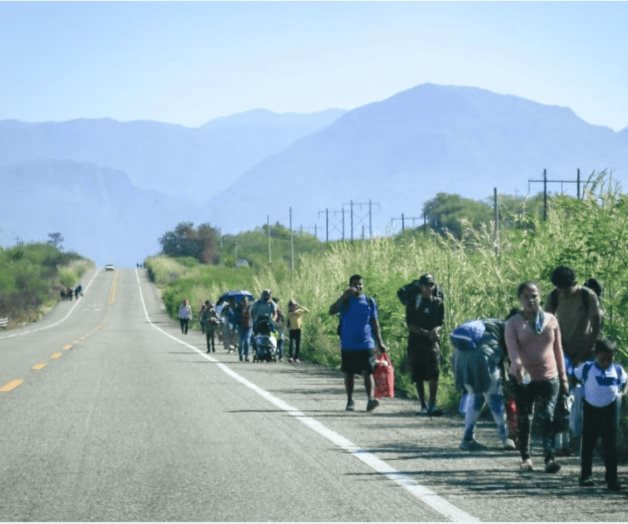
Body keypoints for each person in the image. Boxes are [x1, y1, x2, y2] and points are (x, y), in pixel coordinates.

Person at [505, 281, 568, 473]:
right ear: (520, 299)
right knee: (525, 418)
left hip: (550, 376)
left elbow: (558, 349)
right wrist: (518, 367)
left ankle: (549, 458)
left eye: (534, 295)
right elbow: (512, 351)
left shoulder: (551, 320)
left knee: (547, 415)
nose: (531, 300)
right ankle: (526, 457)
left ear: (540, 297)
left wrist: (564, 377)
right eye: (526, 296)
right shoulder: (514, 323)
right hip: (523, 379)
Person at [544, 266, 602, 456]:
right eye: (559, 288)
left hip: (586, 351)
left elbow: (596, 324)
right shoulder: (554, 296)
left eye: (565, 288)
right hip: (563, 352)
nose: (562, 292)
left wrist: (587, 349)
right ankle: (564, 440)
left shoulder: (587, 296)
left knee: (589, 394)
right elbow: (545, 322)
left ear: (573, 284)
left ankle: (589, 437)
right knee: (564, 394)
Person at [452, 318, 516, 451]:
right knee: (495, 399)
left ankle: (467, 438)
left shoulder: (487, 325)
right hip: (482, 359)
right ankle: (506, 439)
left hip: (460, 358)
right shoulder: (509, 329)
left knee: (476, 396)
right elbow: (509, 359)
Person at [329, 274, 387, 412]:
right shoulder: (346, 301)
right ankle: (350, 400)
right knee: (349, 373)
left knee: (368, 371)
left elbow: (374, 323)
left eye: (360, 284)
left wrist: (380, 342)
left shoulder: (369, 301)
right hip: (348, 343)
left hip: (366, 343)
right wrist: (344, 296)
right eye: (355, 284)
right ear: (350, 285)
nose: (358, 286)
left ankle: (370, 399)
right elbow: (331, 310)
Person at [575, 339, 626, 490]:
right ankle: (585, 476)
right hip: (590, 410)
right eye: (603, 358)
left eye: (610, 358)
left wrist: (622, 394)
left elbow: (625, 382)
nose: (606, 361)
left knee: (610, 446)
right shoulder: (587, 368)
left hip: (609, 410)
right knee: (588, 445)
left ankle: (612, 479)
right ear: (596, 355)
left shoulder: (617, 370)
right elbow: (575, 374)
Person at [398, 274, 444, 416]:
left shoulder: (438, 303)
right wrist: (426, 333)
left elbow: (440, 323)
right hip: (416, 342)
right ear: (421, 287)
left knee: (434, 374)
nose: (429, 288)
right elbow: (410, 325)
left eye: (431, 285)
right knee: (418, 375)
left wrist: (435, 331)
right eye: (426, 285)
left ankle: (432, 404)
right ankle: (423, 405)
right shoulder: (413, 303)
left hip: (432, 343)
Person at [234, 297, 253, 362]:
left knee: (247, 342)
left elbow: (253, 316)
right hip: (240, 327)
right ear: (241, 302)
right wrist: (241, 315)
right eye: (243, 301)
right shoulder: (238, 309)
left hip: (249, 327)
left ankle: (246, 356)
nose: (245, 303)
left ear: (248, 302)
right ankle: (240, 355)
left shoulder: (251, 308)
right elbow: (235, 318)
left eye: (246, 301)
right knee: (240, 342)